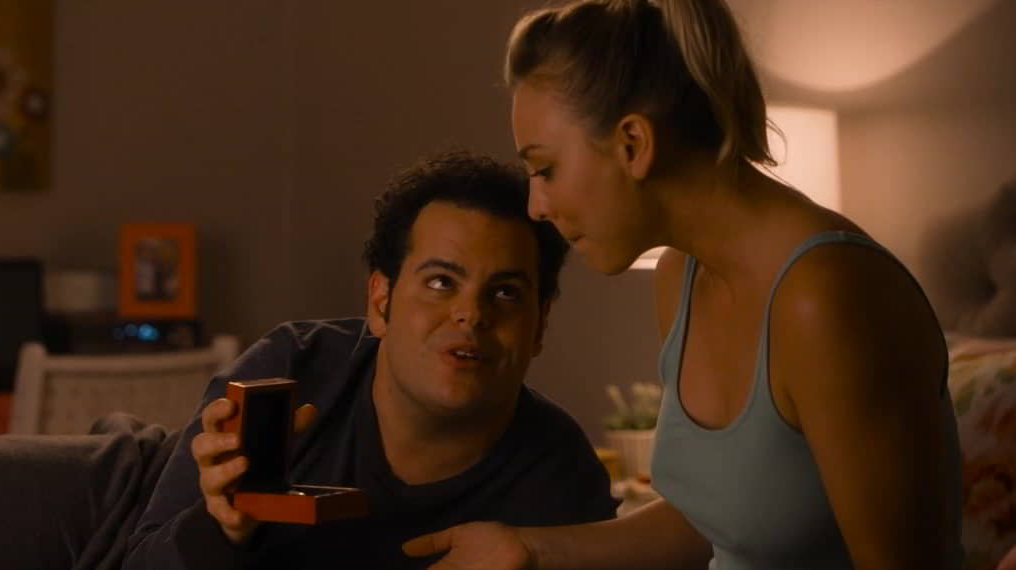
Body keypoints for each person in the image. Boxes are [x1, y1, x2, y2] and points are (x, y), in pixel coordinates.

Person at [404, 1, 963, 569]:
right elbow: (713, 522)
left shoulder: (827, 295)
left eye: (545, 169)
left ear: (633, 144)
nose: (536, 206)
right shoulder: (681, 275)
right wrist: (527, 547)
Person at [123, 151, 618, 569]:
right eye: (441, 282)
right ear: (381, 302)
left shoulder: (562, 475)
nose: (471, 314)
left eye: (506, 292)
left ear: (540, 324)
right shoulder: (292, 373)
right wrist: (221, 527)